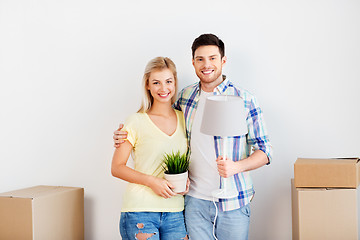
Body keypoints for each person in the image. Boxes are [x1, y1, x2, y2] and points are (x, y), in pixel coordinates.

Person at [113, 34, 273, 240]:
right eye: (200, 59)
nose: (206, 64)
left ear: (223, 61)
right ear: (193, 62)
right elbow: (155, 126)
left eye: (213, 58)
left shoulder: (244, 100)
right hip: (194, 202)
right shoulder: (184, 98)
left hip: (234, 200)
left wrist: (237, 166)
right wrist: (122, 136)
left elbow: (265, 150)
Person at [111, 56, 189, 240]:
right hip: (140, 211)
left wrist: (187, 182)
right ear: (147, 85)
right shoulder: (135, 121)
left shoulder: (185, 120)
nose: (163, 88)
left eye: (168, 81)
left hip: (176, 211)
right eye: (156, 82)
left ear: (175, 83)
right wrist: (152, 181)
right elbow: (117, 167)